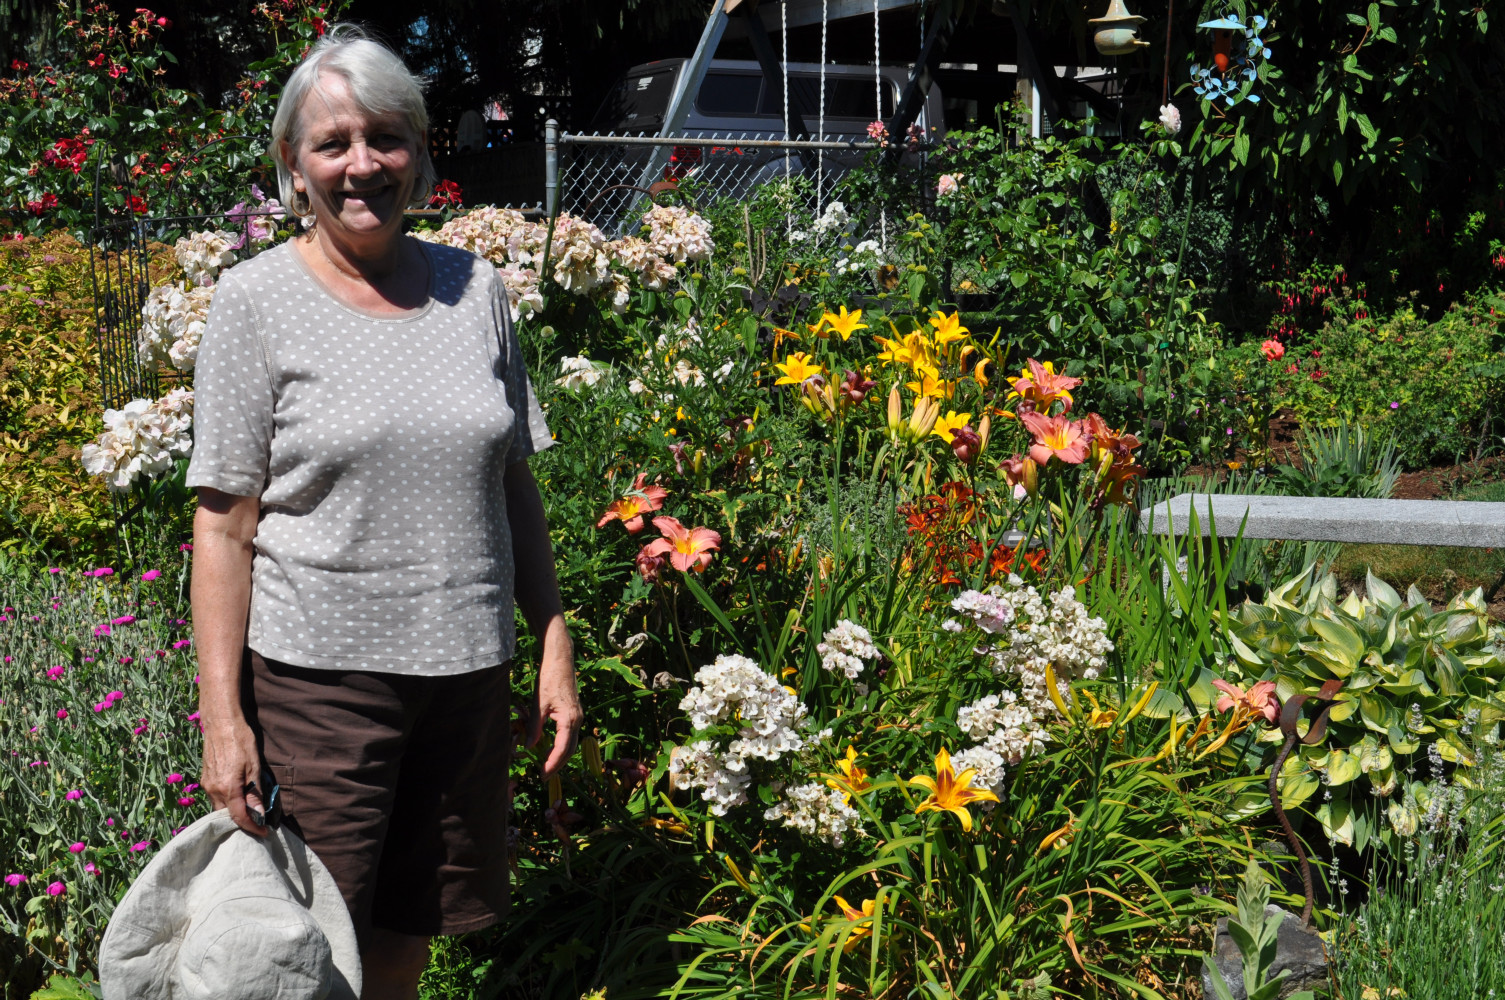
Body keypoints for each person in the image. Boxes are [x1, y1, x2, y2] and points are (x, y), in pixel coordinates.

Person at [186, 25, 581, 1000]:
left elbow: (512, 482)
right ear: (293, 165)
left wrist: (554, 642)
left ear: (419, 153)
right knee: (307, 941)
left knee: (414, 926)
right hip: (323, 686)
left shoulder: (474, 289)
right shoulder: (256, 301)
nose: (362, 164)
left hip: (465, 677)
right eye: (333, 143)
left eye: (386, 137)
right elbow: (223, 525)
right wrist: (223, 722)